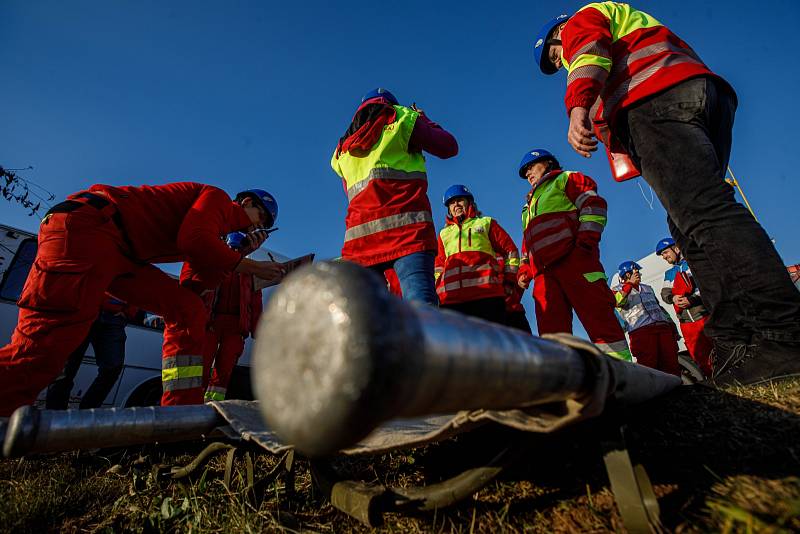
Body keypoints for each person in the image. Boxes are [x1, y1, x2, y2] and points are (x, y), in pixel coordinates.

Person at [533, 4, 800, 384]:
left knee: (704, 213)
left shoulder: (581, 20)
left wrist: (576, 108)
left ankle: (781, 335)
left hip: (654, 97)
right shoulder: (626, 22)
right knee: (687, 227)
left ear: (560, 35)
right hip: (699, 94)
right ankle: (736, 344)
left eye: (556, 55)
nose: (561, 62)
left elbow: (589, 52)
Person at [0, 183, 285, 416]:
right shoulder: (220, 200)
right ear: (246, 202)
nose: (257, 229)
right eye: (261, 219)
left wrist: (239, 256)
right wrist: (252, 267)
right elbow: (193, 240)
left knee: (186, 310)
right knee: (44, 346)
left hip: (121, 253)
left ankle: (180, 417)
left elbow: (192, 288)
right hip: (88, 227)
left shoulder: (216, 233)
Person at [331, 88, 458, 305]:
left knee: (369, 321)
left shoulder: (342, 147)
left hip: (361, 242)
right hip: (408, 233)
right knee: (421, 314)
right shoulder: (403, 117)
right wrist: (424, 118)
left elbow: (350, 192)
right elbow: (448, 147)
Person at [517, 148, 632, 361]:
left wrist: (585, 244)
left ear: (548, 163)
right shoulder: (528, 205)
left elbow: (593, 206)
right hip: (544, 274)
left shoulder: (566, 179)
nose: (528, 174)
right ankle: (561, 380)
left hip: (575, 261)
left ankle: (621, 374)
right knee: (551, 334)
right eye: (525, 173)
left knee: (598, 319)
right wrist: (525, 267)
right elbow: (527, 241)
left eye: (531, 167)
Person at [195, 231, 265, 402]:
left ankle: (213, 405)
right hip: (211, 324)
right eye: (230, 248)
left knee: (224, 372)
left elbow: (256, 303)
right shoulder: (214, 265)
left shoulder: (249, 272)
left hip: (235, 328)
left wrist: (259, 332)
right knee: (201, 367)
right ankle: (194, 402)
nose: (233, 251)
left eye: (236, 249)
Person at [434, 185, 519, 325]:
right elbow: (438, 266)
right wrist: (438, 290)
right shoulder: (443, 234)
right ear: (448, 208)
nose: (456, 205)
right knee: (458, 346)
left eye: (460, 200)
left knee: (492, 344)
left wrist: (509, 281)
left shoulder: (486, 223)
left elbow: (511, 252)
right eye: (451, 203)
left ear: (469, 202)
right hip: (452, 302)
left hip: (487, 297)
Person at [45, 295, 139, 409]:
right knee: (66, 367)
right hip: (82, 311)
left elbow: (140, 286)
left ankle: (87, 414)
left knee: (113, 367)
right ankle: (55, 416)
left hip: (113, 318)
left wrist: (128, 312)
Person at [658, 237, 713, 376]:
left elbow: (706, 285)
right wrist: (673, 298)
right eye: (662, 255)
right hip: (686, 323)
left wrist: (692, 300)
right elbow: (665, 294)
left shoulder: (692, 264)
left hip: (704, 315)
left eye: (665, 252)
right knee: (700, 357)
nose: (664, 257)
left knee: (718, 349)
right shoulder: (669, 274)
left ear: (676, 248)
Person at [613, 261, 680, 376]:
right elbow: (617, 302)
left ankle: (678, 391)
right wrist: (629, 285)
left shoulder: (647, 288)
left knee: (671, 362)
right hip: (641, 332)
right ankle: (656, 393)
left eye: (638, 271)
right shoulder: (617, 290)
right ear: (627, 274)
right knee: (649, 366)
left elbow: (659, 307)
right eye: (635, 271)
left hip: (663, 328)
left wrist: (672, 325)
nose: (638, 273)